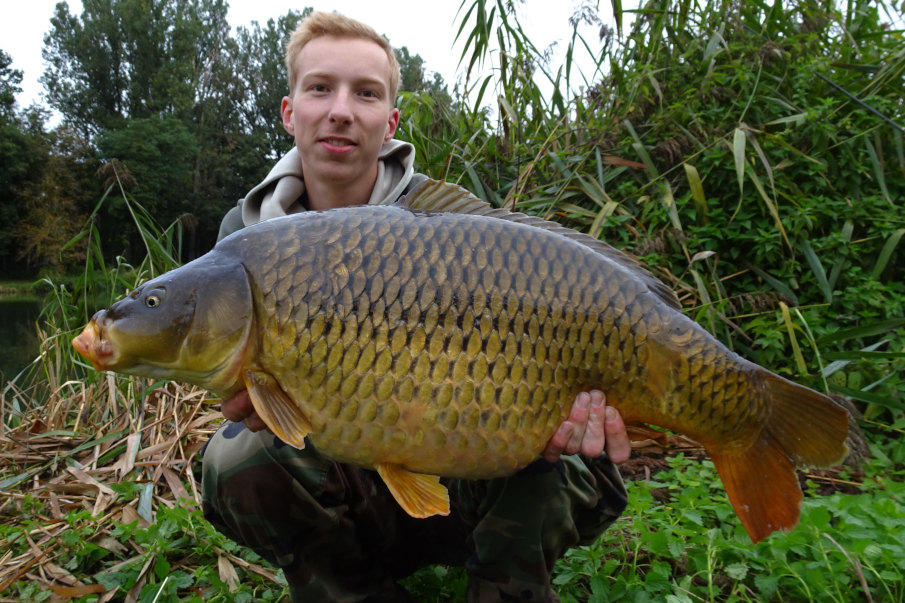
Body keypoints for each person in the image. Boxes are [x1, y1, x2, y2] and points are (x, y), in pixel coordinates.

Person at [201, 11, 631, 602]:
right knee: (237, 457)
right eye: (321, 87)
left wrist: (540, 415)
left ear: (391, 121)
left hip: (477, 476)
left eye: (367, 93)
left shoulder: (448, 226)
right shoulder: (242, 240)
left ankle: (504, 589)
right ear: (289, 110)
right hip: (362, 495)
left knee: (544, 443)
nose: (342, 110)